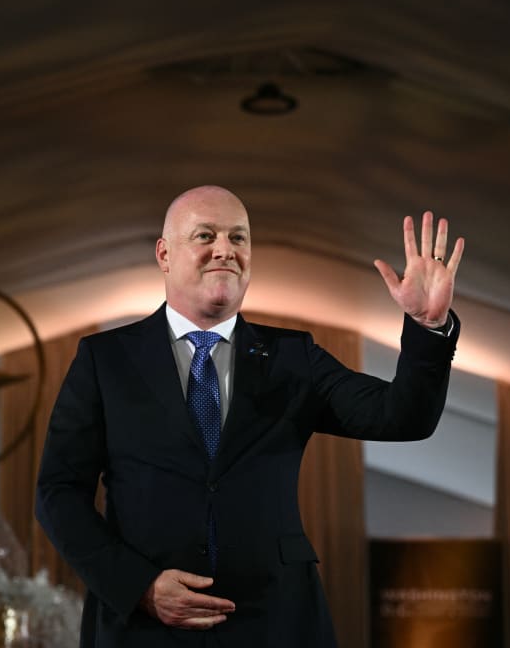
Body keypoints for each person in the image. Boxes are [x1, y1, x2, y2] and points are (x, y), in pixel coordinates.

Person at [36, 185, 464, 647]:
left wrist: (427, 329)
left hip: (277, 622)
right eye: (205, 235)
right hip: (144, 627)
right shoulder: (106, 360)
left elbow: (401, 418)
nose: (225, 249)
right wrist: (137, 586)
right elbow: (58, 493)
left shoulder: (293, 357)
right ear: (164, 253)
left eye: (239, 238)